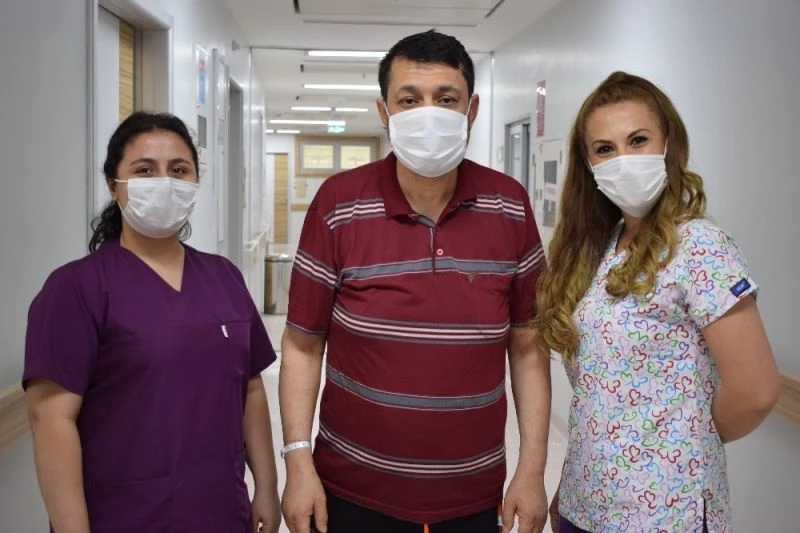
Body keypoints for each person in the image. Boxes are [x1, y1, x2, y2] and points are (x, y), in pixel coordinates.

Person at [279, 30, 551, 533]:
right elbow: (302, 344)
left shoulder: (510, 205)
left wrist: (532, 470)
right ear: (384, 112)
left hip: (472, 495)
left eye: (445, 99)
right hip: (351, 490)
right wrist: (297, 463)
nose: (428, 113)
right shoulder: (338, 204)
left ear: (471, 109)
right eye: (409, 100)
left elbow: (528, 344)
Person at [534, 72, 781, 533]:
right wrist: (569, 486)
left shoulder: (699, 246)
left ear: (669, 144)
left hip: (665, 513)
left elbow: (757, 391)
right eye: (604, 149)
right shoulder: (600, 249)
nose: (623, 159)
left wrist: (679, 446)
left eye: (638, 140)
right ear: (588, 163)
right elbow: (595, 396)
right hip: (585, 504)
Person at [23, 112, 281, 533]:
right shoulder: (77, 288)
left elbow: (250, 388)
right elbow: (51, 420)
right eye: (145, 170)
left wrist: (266, 488)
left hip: (220, 511)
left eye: (178, 170)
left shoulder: (224, 277)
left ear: (195, 181)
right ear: (113, 185)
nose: (164, 182)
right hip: (123, 516)